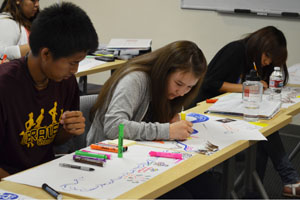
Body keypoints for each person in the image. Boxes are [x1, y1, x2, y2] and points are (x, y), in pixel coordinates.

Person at [192, 26, 300, 198]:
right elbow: (210, 83)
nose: (267, 63)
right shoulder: (235, 50)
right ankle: (287, 180)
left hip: (233, 110)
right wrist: (248, 87)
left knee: (263, 133)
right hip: (208, 110)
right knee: (263, 134)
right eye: (267, 57)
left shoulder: (256, 61)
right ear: (260, 47)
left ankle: (259, 191)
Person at [0, 2, 99, 180]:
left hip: (47, 176)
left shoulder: (65, 82)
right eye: (72, 62)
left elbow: (55, 141)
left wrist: (69, 129)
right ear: (46, 54)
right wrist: (18, 185)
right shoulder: (5, 86)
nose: (75, 71)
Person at [86, 40, 207, 145]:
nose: (181, 93)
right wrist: (167, 130)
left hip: (139, 150)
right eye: (178, 84)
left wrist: (170, 120)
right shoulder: (135, 79)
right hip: (107, 154)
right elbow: (114, 127)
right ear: (164, 71)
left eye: (189, 87)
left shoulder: (170, 91)